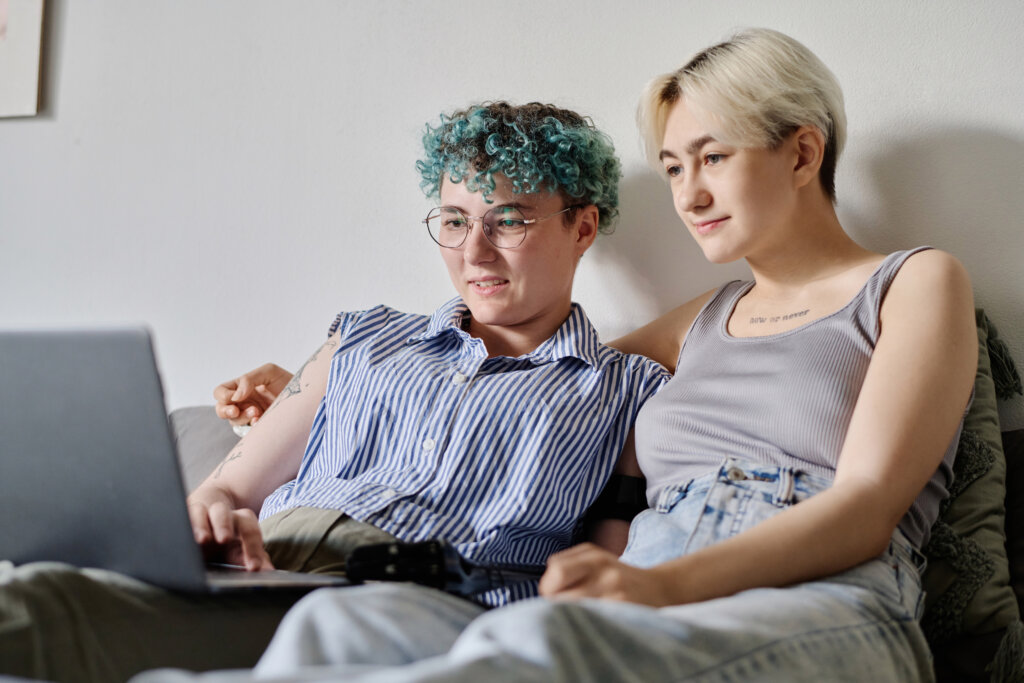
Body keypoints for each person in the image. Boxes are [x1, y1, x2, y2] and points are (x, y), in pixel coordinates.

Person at [144, 27, 977, 683]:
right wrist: (320, 382)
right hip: (647, 574)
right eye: (674, 165)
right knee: (342, 621)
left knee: (548, 656)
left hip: (814, 590)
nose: (688, 195)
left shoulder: (912, 282)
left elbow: (868, 504)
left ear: (802, 152)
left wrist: (656, 587)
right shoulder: (702, 321)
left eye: (713, 158)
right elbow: (514, 380)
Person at [0, 101, 668, 683]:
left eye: (509, 220)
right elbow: (225, 489)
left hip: (412, 604)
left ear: (582, 226)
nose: (475, 253)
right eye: (456, 220)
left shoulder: (628, 389)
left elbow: (601, 584)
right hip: (264, 573)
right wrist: (210, 516)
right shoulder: (362, 339)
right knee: (32, 596)